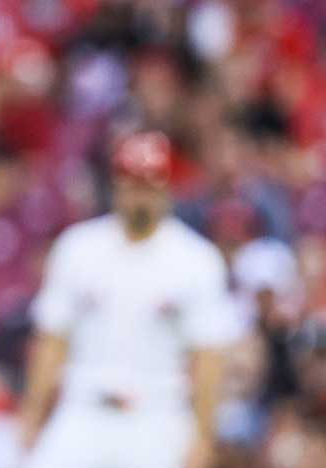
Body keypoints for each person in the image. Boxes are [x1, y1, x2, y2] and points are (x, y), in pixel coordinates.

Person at [19, 131, 241, 468]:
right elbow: (52, 340)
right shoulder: (78, 248)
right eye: (132, 184)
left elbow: (208, 356)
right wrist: (33, 415)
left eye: (149, 185)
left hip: (158, 413)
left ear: (166, 188)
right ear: (117, 185)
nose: (140, 196)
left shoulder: (195, 259)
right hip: (84, 408)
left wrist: (203, 435)